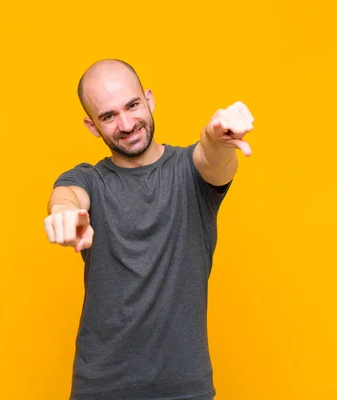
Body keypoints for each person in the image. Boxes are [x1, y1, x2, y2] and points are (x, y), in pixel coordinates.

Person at [43, 59, 254, 400]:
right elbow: (67, 195)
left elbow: (212, 158)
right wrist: (64, 212)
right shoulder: (88, 180)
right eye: (108, 116)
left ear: (149, 99)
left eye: (132, 105)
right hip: (101, 388)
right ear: (92, 126)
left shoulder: (190, 173)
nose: (126, 124)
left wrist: (215, 137)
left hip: (185, 389)